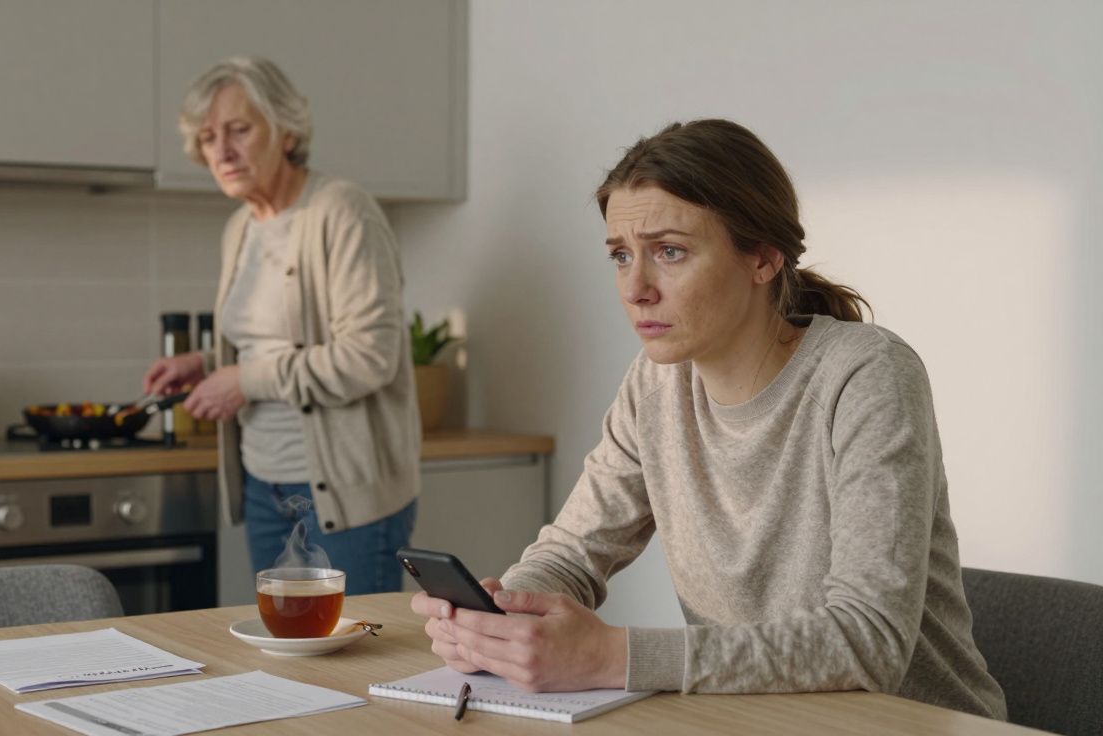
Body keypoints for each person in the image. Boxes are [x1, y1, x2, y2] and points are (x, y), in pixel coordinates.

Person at [410, 119, 1007, 719]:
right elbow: (570, 555)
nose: (636, 288)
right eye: (621, 256)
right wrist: (507, 617)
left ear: (764, 259)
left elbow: (868, 640)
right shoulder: (656, 384)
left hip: (908, 725)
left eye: (669, 252)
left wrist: (611, 655)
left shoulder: (867, 375)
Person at [143, 56, 419, 595]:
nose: (220, 151)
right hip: (263, 483)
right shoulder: (240, 227)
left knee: (353, 662)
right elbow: (271, 343)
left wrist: (243, 381)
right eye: (207, 137)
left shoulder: (342, 212)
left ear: (286, 129)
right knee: (287, 662)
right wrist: (206, 365)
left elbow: (369, 357)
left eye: (239, 130)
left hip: (342, 493)